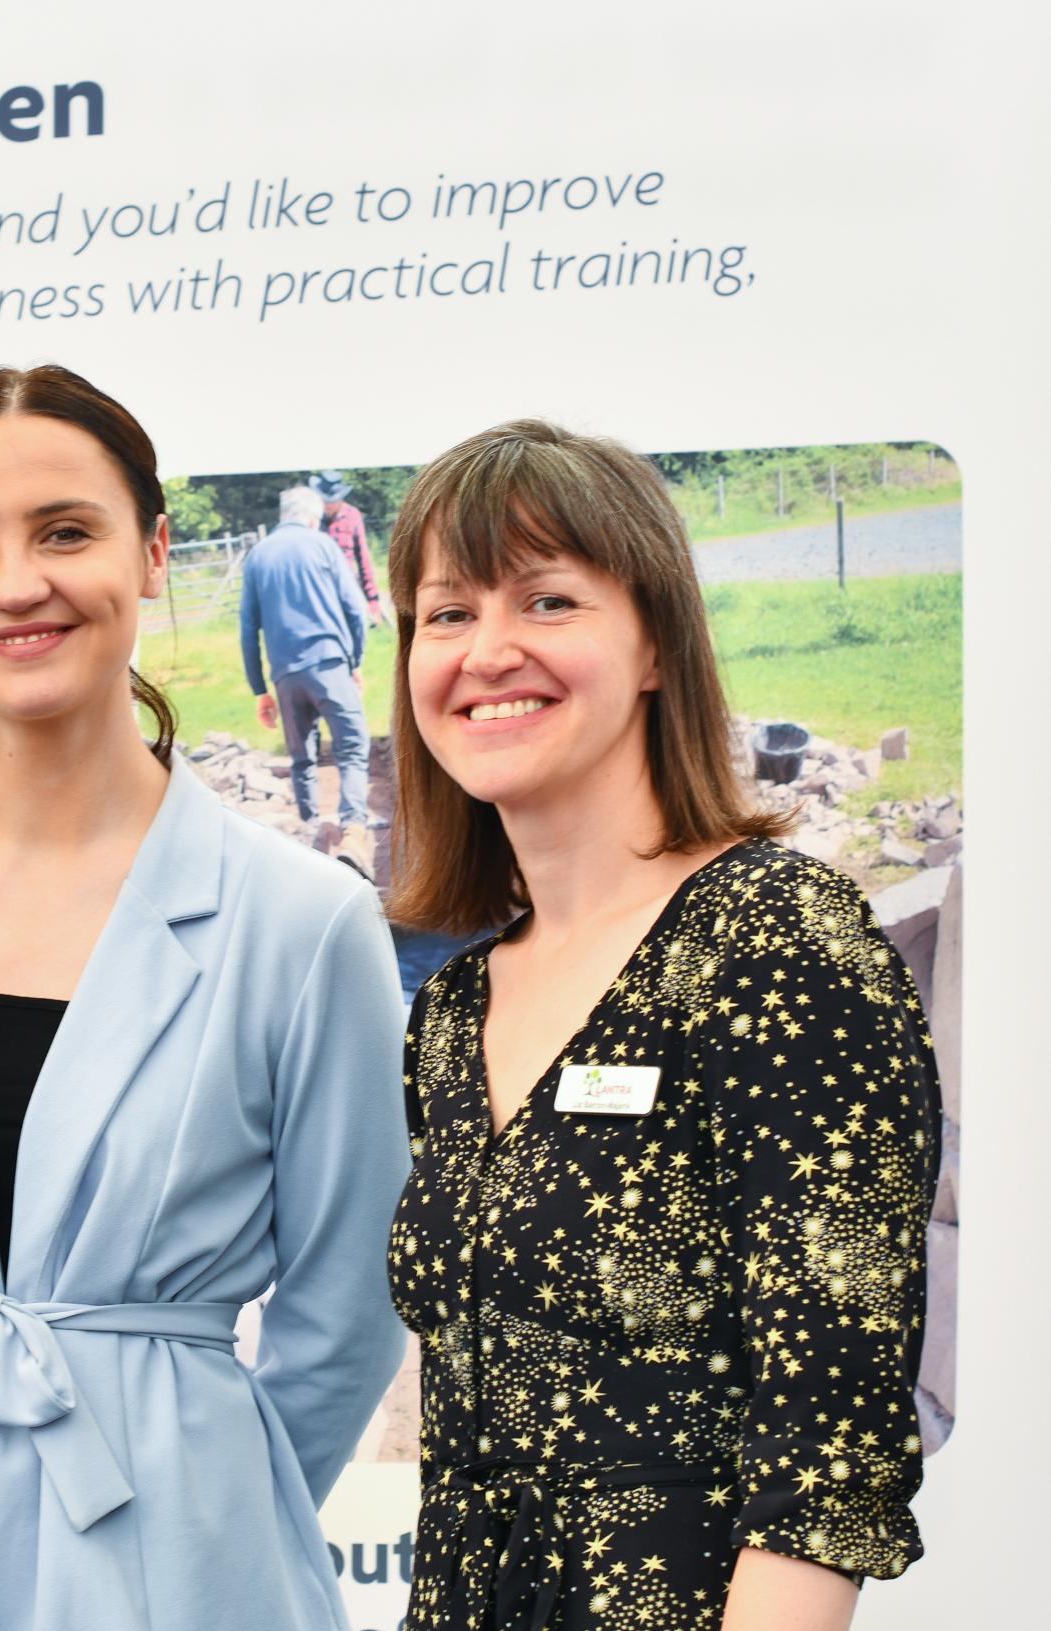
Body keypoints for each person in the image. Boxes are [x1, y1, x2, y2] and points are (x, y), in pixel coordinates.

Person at [0, 365, 407, 1631]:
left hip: (179, 1551)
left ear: (150, 552)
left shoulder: (300, 924)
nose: (15, 582)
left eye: (63, 530)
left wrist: (200, 1486)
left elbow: (346, 1311)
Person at [384, 419, 939, 1631]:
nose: (486, 651)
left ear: (651, 645)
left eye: (544, 599)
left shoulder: (773, 943)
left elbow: (824, 1457)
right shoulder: (453, 1007)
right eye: (444, 612)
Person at [240, 485, 374, 876]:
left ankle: (310, 834)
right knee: (352, 747)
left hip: (284, 675)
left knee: (302, 758)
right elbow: (354, 608)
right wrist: (355, 661)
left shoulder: (256, 556)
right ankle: (353, 831)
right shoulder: (323, 545)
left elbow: (248, 630)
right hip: (330, 663)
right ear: (313, 517)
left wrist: (259, 689)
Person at [313, 470, 384, 626]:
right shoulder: (312, 518)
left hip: (347, 586)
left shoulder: (352, 515)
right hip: (319, 588)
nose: (328, 505)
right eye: (325, 501)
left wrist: (373, 599)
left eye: (332, 501)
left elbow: (363, 557)